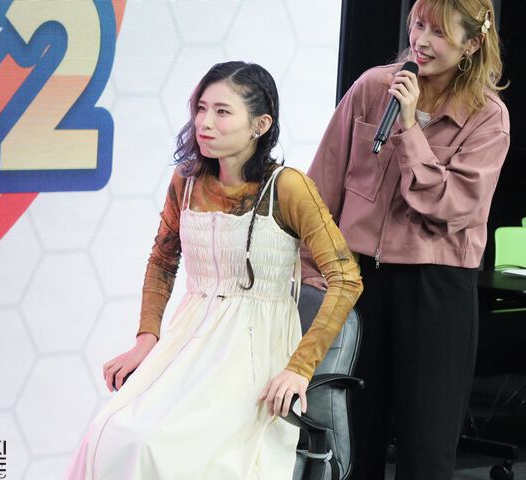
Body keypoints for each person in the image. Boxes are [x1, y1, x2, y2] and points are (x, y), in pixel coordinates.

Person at [65, 61, 362, 479]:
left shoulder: (288, 187)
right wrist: (146, 338)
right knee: (109, 431)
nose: (204, 122)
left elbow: (346, 278)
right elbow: (162, 261)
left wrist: (299, 367)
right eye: (201, 108)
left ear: (260, 125)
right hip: (189, 338)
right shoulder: (185, 181)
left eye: (222, 112)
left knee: (159, 446)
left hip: (253, 349)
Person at [301, 1, 510, 479]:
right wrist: (311, 271)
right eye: (418, 26)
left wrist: (411, 127)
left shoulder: (487, 117)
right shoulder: (373, 88)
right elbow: (321, 187)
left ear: (472, 43)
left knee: (425, 446)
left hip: (436, 289)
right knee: (351, 434)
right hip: (357, 282)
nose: (421, 42)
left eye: (439, 33)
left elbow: (454, 206)